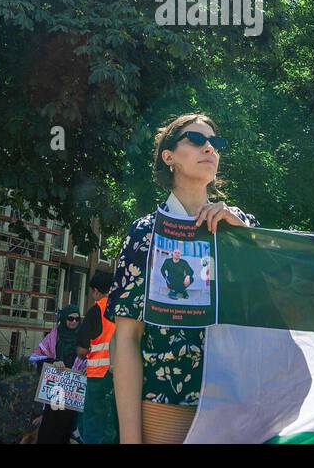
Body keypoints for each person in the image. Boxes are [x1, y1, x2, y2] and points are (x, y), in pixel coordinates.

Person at [107, 112, 258, 444]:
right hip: (167, 398)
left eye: (215, 143)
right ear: (169, 156)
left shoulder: (241, 226)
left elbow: (277, 296)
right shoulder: (145, 232)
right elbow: (126, 337)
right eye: (197, 140)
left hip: (237, 400)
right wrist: (130, 438)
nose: (209, 149)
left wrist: (245, 237)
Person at [30, 304, 85, 443]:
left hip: (73, 392)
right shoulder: (54, 337)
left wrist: (86, 369)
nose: (74, 322)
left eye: (77, 319)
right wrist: (53, 362)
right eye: (70, 318)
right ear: (63, 318)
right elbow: (38, 357)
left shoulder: (84, 339)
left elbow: (89, 359)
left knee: (66, 427)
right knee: (50, 425)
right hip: (54, 390)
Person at [75, 270, 118, 444]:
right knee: (113, 422)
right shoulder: (122, 309)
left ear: (95, 290)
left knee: (93, 422)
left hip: (98, 377)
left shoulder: (96, 311)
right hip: (120, 375)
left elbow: (82, 351)